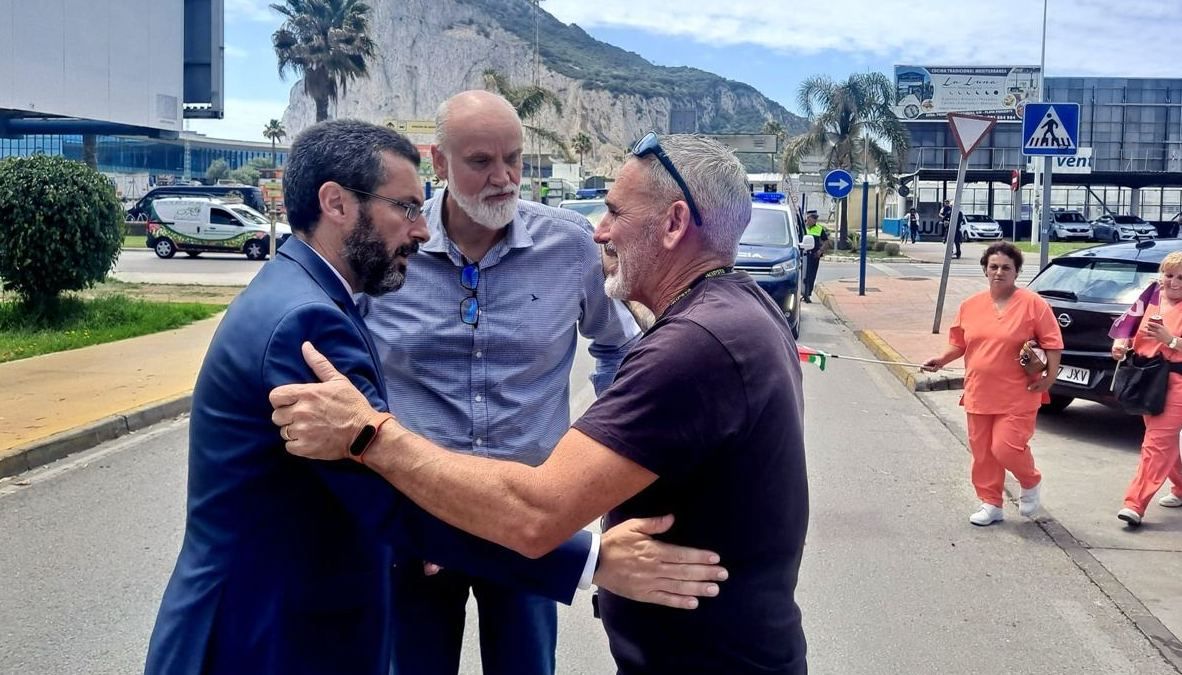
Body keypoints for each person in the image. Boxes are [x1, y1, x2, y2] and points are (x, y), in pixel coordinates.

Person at [144, 120, 725, 675]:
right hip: (266, 637)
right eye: (403, 208)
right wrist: (593, 560)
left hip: (289, 618)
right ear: (336, 204)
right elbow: (382, 489)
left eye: (514, 158)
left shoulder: (301, 293)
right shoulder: (308, 322)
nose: (420, 231)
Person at [271, 133, 811, 674]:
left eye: (615, 212)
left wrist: (368, 433)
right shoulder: (739, 309)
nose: (599, 231)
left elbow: (536, 513)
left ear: (673, 223)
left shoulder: (693, 346)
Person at [362, 90, 641, 675]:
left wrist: (598, 462)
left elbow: (619, 347)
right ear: (439, 163)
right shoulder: (392, 246)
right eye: (481, 161)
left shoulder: (570, 245)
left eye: (513, 158)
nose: (504, 177)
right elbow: (348, 373)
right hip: (416, 523)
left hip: (526, 521)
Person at [921, 242, 1063, 526]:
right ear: (985, 270)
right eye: (994, 266)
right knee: (983, 453)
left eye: (1006, 267)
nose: (999, 272)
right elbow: (959, 343)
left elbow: (1052, 343)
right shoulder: (970, 306)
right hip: (979, 391)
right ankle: (991, 503)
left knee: (1006, 447)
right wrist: (942, 359)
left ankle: (1030, 480)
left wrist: (1049, 378)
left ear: (1016, 272)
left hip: (1019, 393)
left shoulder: (1034, 304)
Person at [1112, 252, 1182, 527]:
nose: (1174, 282)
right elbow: (1127, 329)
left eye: (1181, 277)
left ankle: (1134, 504)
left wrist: (1171, 341)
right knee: (1164, 441)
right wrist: (1120, 346)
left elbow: (1170, 341)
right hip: (1146, 377)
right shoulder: (1150, 298)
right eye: (1169, 275)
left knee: (1157, 442)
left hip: (1177, 380)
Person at [802, 209, 828, 303]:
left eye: (816, 218)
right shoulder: (802, 227)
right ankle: (802, 292)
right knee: (802, 275)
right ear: (808, 218)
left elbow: (826, 241)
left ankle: (808, 294)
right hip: (803, 255)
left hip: (814, 256)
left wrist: (820, 251)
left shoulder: (819, 228)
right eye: (813, 218)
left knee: (811, 276)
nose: (815, 220)